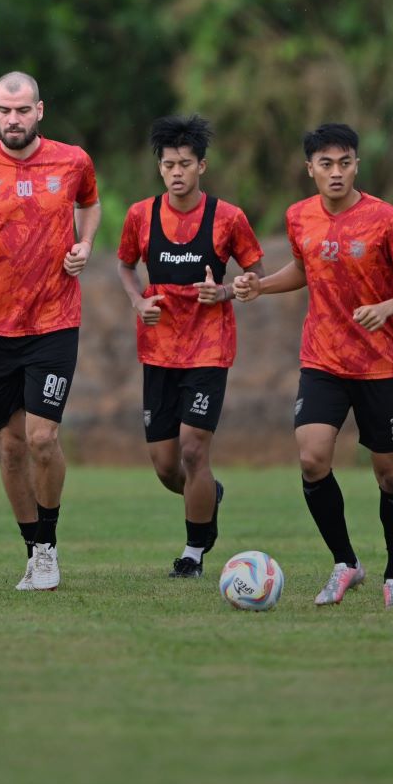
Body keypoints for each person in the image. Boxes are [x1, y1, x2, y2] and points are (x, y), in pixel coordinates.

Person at [234, 123, 393, 609]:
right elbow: (302, 269)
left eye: (345, 162)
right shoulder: (300, 217)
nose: (336, 172)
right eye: (326, 164)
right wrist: (260, 285)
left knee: (390, 475)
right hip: (322, 359)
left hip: (380, 365)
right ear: (310, 169)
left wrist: (386, 308)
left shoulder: (386, 219)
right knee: (311, 457)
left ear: (356, 165)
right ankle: (345, 562)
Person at [0, 70, 101, 591]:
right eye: (5, 111)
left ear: (39, 110)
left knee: (42, 438)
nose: (14, 119)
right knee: (10, 446)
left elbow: (89, 204)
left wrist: (85, 243)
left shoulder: (72, 160)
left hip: (55, 321)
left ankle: (48, 549)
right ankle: (32, 549)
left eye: (23, 110)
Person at [117, 115, 264, 577]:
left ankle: (194, 552)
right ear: (159, 168)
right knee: (166, 466)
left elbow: (253, 275)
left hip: (208, 348)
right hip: (157, 350)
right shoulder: (141, 215)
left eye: (185, 163)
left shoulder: (228, 218)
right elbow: (123, 267)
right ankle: (208, 496)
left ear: (202, 165)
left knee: (194, 451)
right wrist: (138, 303)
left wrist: (222, 291)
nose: (176, 171)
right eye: (168, 164)